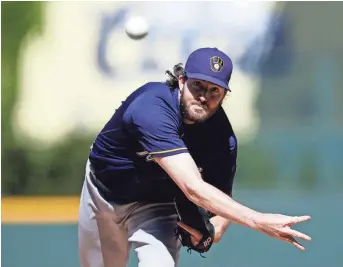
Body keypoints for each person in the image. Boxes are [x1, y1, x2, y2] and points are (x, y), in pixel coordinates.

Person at [78, 47, 311, 267]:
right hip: (103, 194)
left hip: (156, 207)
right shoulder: (152, 106)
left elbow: (221, 205)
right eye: (197, 85)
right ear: (181, 81)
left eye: (214, 91)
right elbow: (193, 188)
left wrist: (211, 232)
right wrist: (259, 221)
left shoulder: (222, 138)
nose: (203, 96)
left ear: (223, 97)